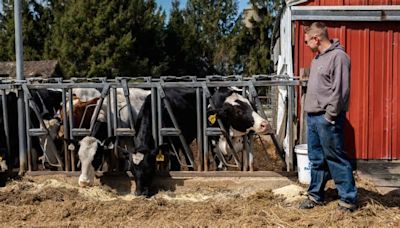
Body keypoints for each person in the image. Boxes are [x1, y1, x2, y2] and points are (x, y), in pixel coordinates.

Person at [299, 22, 357, 212]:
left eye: (307, 41)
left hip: (326, 118)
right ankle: (316, 196)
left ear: (316, 38)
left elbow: (341, 91)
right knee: (316, 159)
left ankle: (348, 199)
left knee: (336, 158)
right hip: (313, 117)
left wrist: (329, 116)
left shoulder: (339, 57)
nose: (306, 44)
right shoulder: (317, 59)